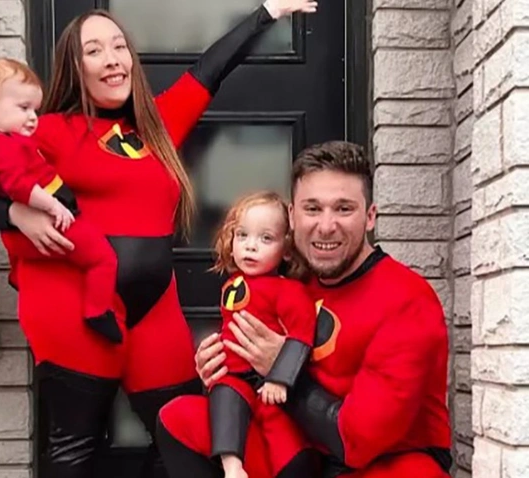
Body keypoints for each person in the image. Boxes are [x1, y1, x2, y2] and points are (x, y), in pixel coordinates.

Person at [0, 2, 319, 477]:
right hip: (76, 303)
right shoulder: (45, 131)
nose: (113, 59)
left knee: (183, 428)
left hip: (155, 305)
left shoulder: (157, 127)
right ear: (75, 67)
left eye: (119, 47)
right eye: (94, 50)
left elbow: (209, 69)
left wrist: (268, 12)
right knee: (73, 448)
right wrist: (14, 214)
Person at [155, 141, 453, 478]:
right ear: (292, 216)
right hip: (304, 449)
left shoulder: (407, 300)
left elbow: (361, 440)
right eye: (312, 209)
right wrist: (225, 369)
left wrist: (283, 369)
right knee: (180, 419)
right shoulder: (291, 282)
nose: (326, 226)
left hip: (380, 461)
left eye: (343, 209)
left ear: (370, 217)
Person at [0, 58, 122, 344]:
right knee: (103, 259)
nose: (33, 117)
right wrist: (53, 205)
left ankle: (16, 276)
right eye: (24, 108)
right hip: (51, 218)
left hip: (17, 236)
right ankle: (98, 311)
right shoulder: (6, 146)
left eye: (35, 109)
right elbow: (20, 186)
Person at [207, 191, 319, 478]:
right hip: (232, 374)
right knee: (224, 400)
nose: (251, 246)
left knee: (278, 428)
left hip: (266, 379)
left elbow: (301, 335)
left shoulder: (288, 291)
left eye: (265, 238)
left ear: (286, 249)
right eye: (242, 235)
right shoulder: (232, 284)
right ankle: (232, 466)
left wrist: (280, 378)